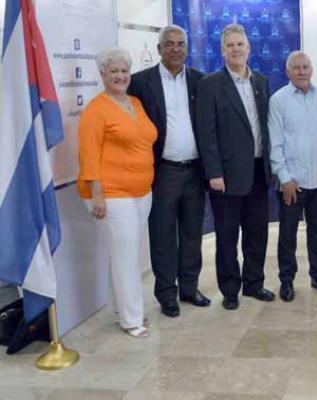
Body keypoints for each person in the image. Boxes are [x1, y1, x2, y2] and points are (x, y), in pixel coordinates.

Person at [128, 25, 210, 318]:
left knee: (192, 233)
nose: (176, 49)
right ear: (159, 49)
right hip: (162, 172)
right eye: (170, 44)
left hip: (195, 171)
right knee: (162, 235)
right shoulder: (139, 82)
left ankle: (189, 288)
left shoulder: (201, 81)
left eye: (181, 44)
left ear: (187, 49)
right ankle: (167, 295)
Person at [77, 47, 156, 338]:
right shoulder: (96, 109)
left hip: (140, 192)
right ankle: (132, 320)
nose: (120, 76)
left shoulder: (135, 101)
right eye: (114, 72)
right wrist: (97, 193)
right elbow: (88, 154)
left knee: (124, 253)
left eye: (124, 71)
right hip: (110, 193)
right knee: (125, 258)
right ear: (102, 75)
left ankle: (120, 309)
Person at [195, 24, 273, 310]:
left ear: (249, 48)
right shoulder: (210, 84)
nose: (236, 49)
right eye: (230, 45)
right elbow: (207, 133)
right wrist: (214, 172)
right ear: (222, 50)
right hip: (225, 176)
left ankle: (255, 284)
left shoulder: (261, 81)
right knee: (227, 235)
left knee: (257, 232)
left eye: (240, 44)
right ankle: (230, 289)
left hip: (258, 171)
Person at [268, 51, 317, 302]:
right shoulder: (279, 100)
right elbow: (274, 143)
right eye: (296, 67)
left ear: (312, 68)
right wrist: (284, 178)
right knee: (287, 235)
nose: (302, 71)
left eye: (306, 66)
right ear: (287, 72)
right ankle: (286, 280)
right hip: (291, 183)